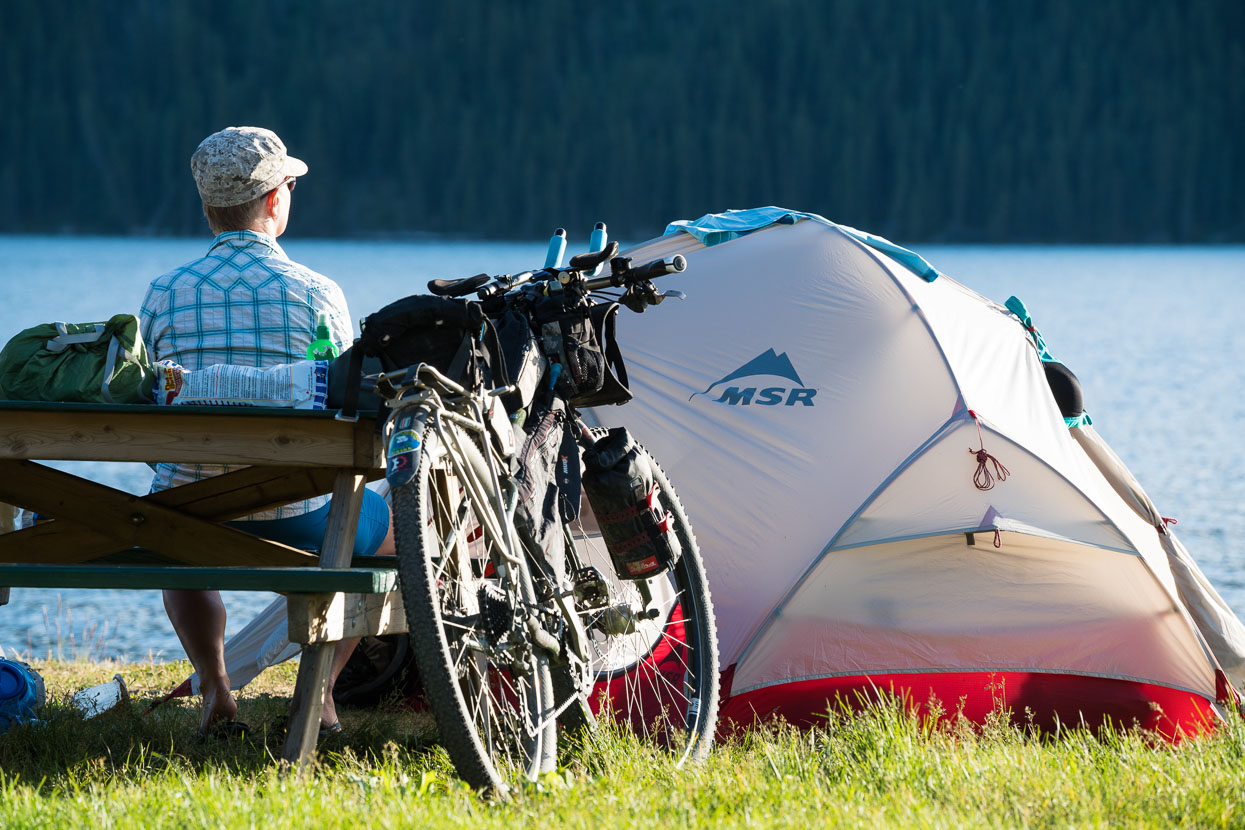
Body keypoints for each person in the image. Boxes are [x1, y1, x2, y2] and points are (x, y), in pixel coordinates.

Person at [139, 126, 395, 737]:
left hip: (187, 512)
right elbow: (344, 400)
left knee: (181, 542)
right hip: (299, 515)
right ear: (276, 201)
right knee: (386, 537)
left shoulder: (163, 294)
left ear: (208, 208)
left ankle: (219, 691)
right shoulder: (316, 293)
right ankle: (323, 695)